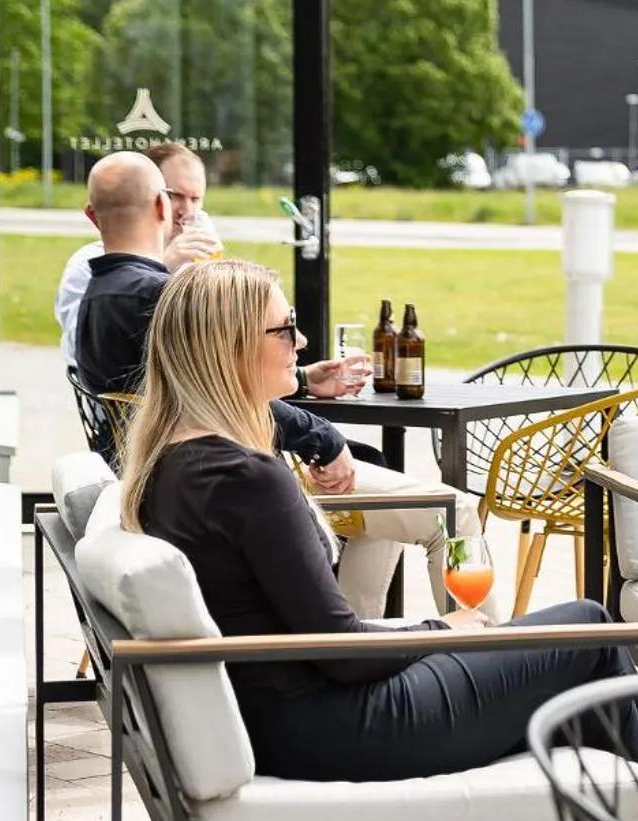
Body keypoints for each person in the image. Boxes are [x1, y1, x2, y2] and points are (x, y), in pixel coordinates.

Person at [120, 259, 638, 821]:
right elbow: (339, 652)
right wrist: (441, 631)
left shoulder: (170, 464)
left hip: (279, 714)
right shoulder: (246, 477)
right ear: (230, 347)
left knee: (572, 661)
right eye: (284, 328)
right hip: (335, 726)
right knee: (588, 636)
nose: (301, 340)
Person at [71, 151, 477, 617]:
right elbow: (214, 391)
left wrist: (302, 377)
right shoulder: (160, 298)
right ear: (162, 208)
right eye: (287, 329)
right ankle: (459, 639)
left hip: (169, 476)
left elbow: (215, 381)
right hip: (228, 482)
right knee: (455, 512)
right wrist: (322, 436)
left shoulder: (97, 296)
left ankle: (358, 626)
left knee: (375, 495)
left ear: (91, 216)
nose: (299, 340)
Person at [55, 141, 221, 368]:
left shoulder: (198, 257)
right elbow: (84, 348)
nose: (188, 211)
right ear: (152, 197)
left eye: (195, 199)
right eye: (176, 196)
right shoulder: (89, 265)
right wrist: (161, 265)